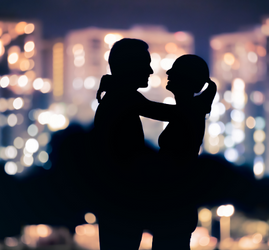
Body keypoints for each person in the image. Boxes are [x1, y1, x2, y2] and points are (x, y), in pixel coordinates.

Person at [92, 38, 215, 250]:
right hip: (124, 205)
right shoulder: (123, 98)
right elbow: (164, 113)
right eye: (145, 64)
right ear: (130, 67)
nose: (151, 71)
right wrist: (200, 104)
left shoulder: (119, 97)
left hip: (136, 204)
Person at [146, 55, 216, 250]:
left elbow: (146, 108)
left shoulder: (188, 112)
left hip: (174, 206)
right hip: (175, 204)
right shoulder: (189, 110)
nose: (168, 74)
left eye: (175, 72)